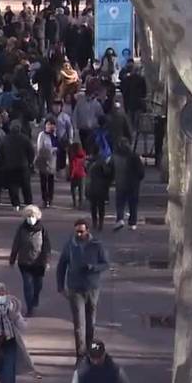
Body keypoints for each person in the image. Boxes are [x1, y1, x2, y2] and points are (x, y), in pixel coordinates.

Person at [56, 219, 109, 357]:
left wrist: (93, 267)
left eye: (81, 231)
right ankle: (80, 354)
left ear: (87, 231)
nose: (78, 234)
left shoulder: (96, 245)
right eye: (76, 231)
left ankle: (90, 352)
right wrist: (60, 286)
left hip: (92, 288)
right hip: (75, 288)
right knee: (79, 324)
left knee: (90, 322)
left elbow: (105, 264)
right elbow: (62, 265)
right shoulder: (70, 245)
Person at [9, 206, 52, 317]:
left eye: (32, 216)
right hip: (24, 262)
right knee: (28, 285)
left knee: (38, 285)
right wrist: (12, 259)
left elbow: (47, 246)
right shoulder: (21, 229)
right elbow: (16, 243)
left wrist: (46, 261)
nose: (30, 218)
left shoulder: (42, 229)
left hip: (39, 262)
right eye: (28, 216)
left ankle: (35, 297)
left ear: (37, 217)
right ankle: (30, 308)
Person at [0, 120, 35, 211]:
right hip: (23, 165)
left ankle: (16, 204)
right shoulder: (25, 138)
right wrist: (30, 162)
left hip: (10, 166)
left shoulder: (5, 139)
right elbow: (31, 152)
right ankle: (28, 203)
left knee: (13, 186)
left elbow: (0, 152)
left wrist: (2, 163)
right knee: (26, 186)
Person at [111, 137, 145, 231]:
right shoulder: (134, 156)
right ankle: (132, 223)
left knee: (120, 203)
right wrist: (138, 179)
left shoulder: (115, 156)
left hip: (120, 183)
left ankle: (120, 219)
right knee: (133, 204)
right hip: (133, 184)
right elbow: (141, 172)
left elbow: (110, 169)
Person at [85, 152, 114, 230]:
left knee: (93, 206)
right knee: (101, 206)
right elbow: (107, 172)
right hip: (100, 187)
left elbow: (87, 175)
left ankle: (95, 222)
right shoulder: (101, 163)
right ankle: (101, 222)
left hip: (91, 186)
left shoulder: (89, 163)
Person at [35, 118, 59, 208]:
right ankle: (45, 199)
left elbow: (58, 145)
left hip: (52, 160)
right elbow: (39, 148)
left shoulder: (54, 135)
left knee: (51, 180)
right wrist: (49, 150)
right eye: (48, 124)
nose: (50, 126)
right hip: (44, 160)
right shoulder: (42, 135)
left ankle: (50, 198)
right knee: (44, 180)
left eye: (52, 124)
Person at [72, 90, 104, 156]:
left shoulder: (97, 104)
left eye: (91, 94)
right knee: (83, 149)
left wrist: (98, 127)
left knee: (91, 149)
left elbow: (101, 117)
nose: (89, 96)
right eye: (88, 94)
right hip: (82, 130)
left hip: (93, 130)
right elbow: (75, 116)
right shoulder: (80, 103)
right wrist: (75, 129)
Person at [68, 142, 87, 208]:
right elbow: (85, 165)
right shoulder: (83, 155)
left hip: (75, 175)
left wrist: (71, 175)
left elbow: (73, 167)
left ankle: (74, 203)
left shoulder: (73, 157)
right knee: (81, 191)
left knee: (73, 189)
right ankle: (80, 204)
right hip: (82, 175)